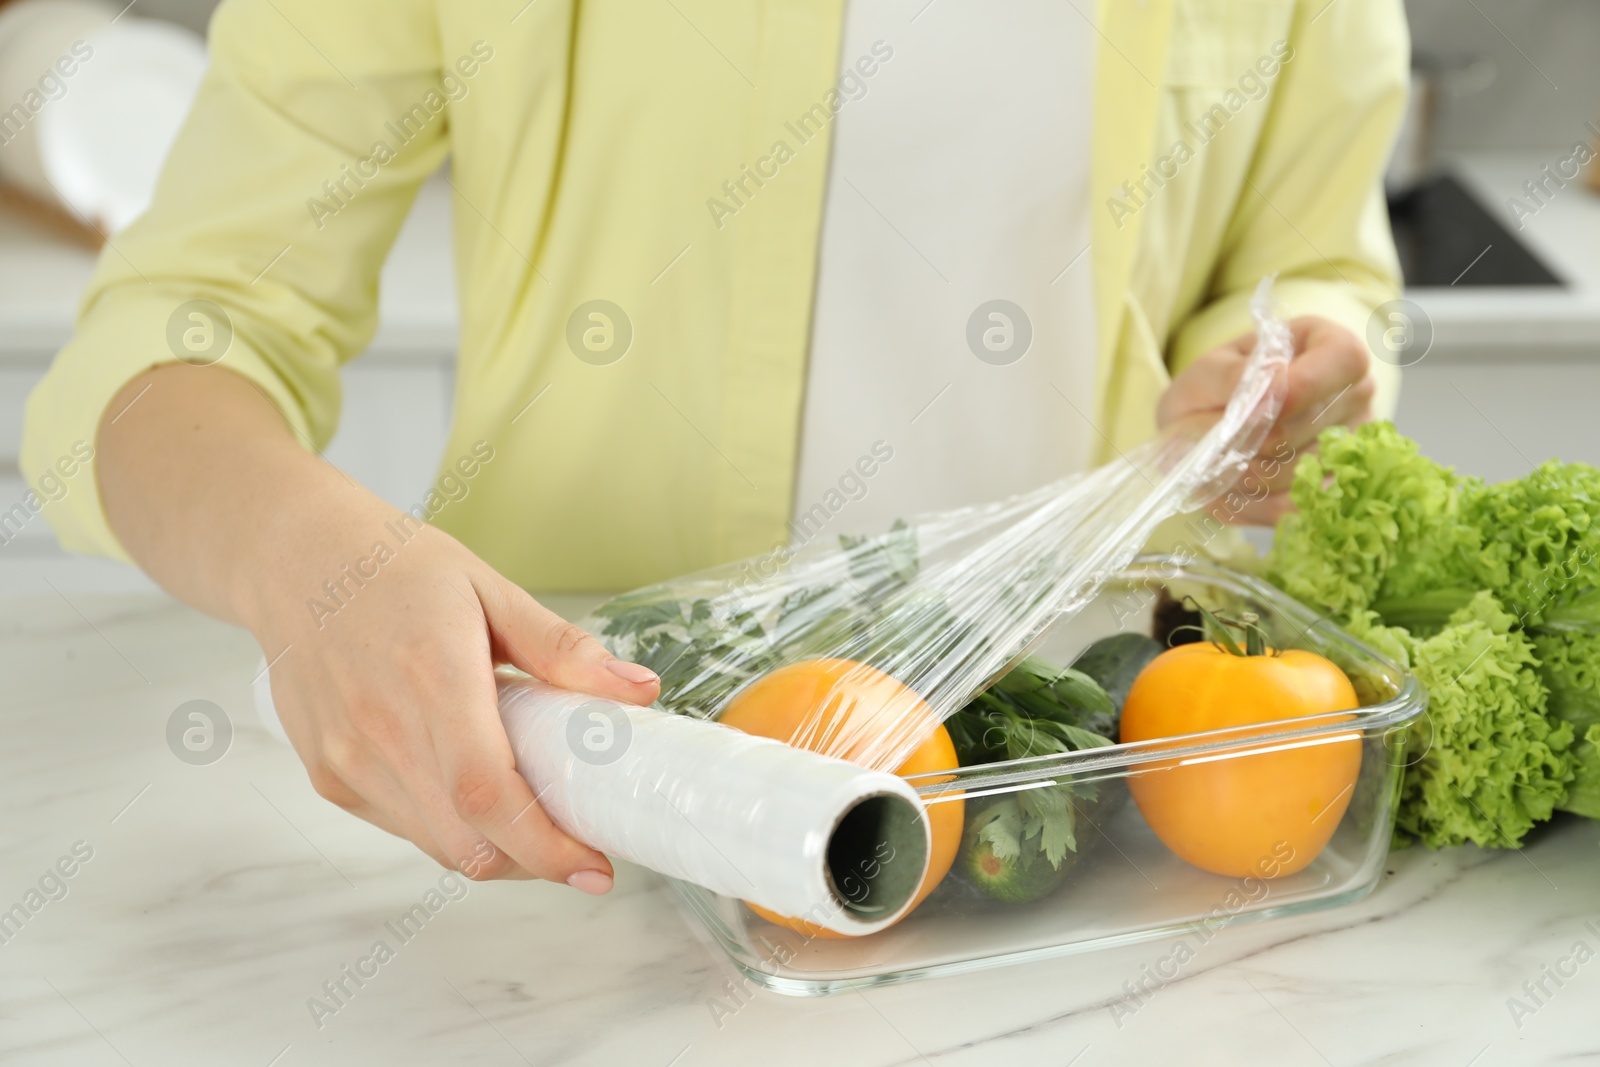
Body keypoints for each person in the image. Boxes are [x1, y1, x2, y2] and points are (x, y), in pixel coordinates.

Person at [21, 0, 1406, 896]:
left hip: (1093, 801)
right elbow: (170, 339)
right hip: (584, 812)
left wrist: (1300, 366)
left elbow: (1312, 263)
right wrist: (304, 564)